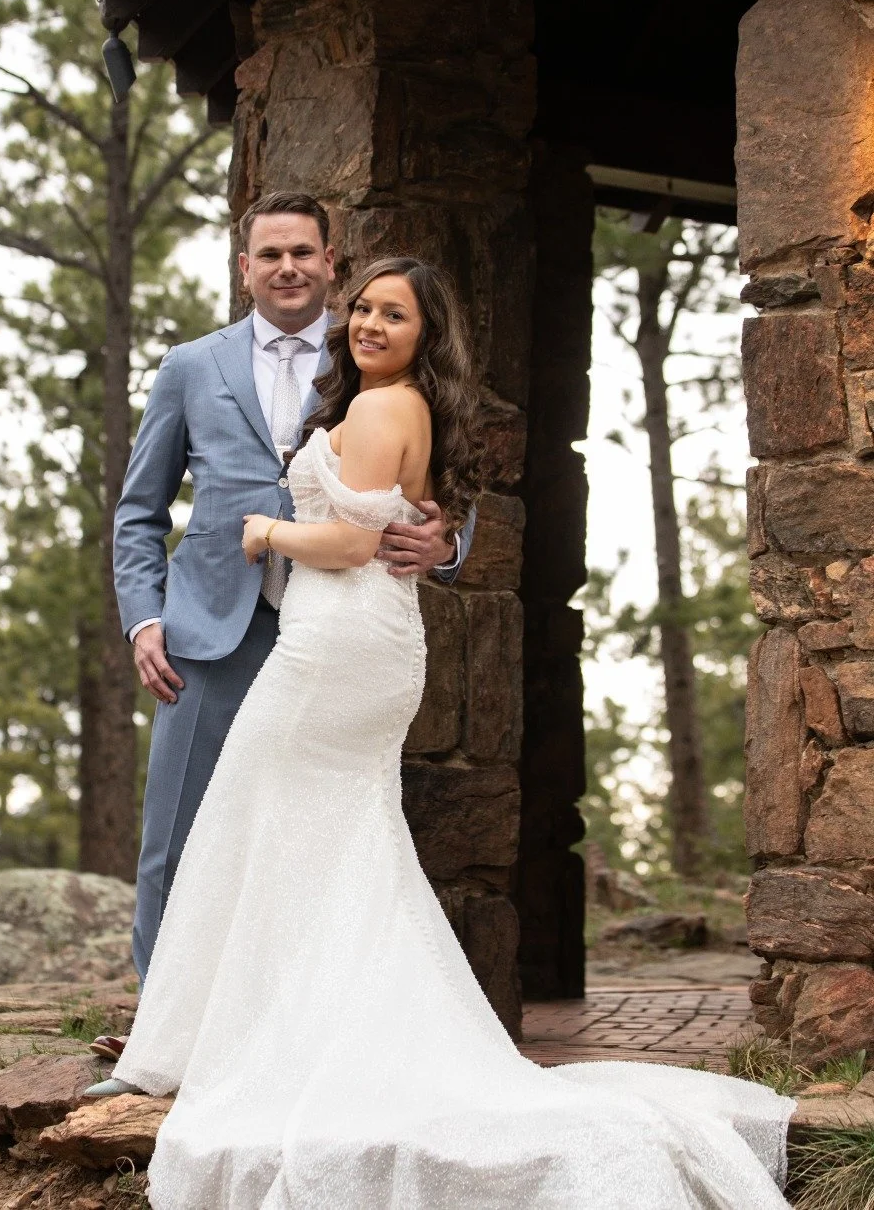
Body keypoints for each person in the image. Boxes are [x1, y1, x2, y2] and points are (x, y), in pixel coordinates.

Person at [103, 255, 795, 1208]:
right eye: (364, 309)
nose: (368, 324)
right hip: (343, 640)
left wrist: (264, 533)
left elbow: (357, 541)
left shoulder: (383, 407)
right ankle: (270, 1029)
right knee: (326, 839)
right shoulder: (333, 390)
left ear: (424, 332)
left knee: (254, 818)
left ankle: (247, 1043)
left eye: (393, 314)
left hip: (334, 647)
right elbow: (170, 508)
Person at [87, 194, 472, 1072]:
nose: (288, 267)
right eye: (270, 255)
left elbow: (441, 478)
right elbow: (139, 510)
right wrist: (144, 618)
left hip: (333, 631)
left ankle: (284, 1032)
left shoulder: (368, 350)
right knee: (182, 833)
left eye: (304, 252)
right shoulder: (191, 366)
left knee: (313, 835)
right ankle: (163, 1028)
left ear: (331, 261)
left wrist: (447, 544)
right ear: (245, 268)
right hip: (208, 630)